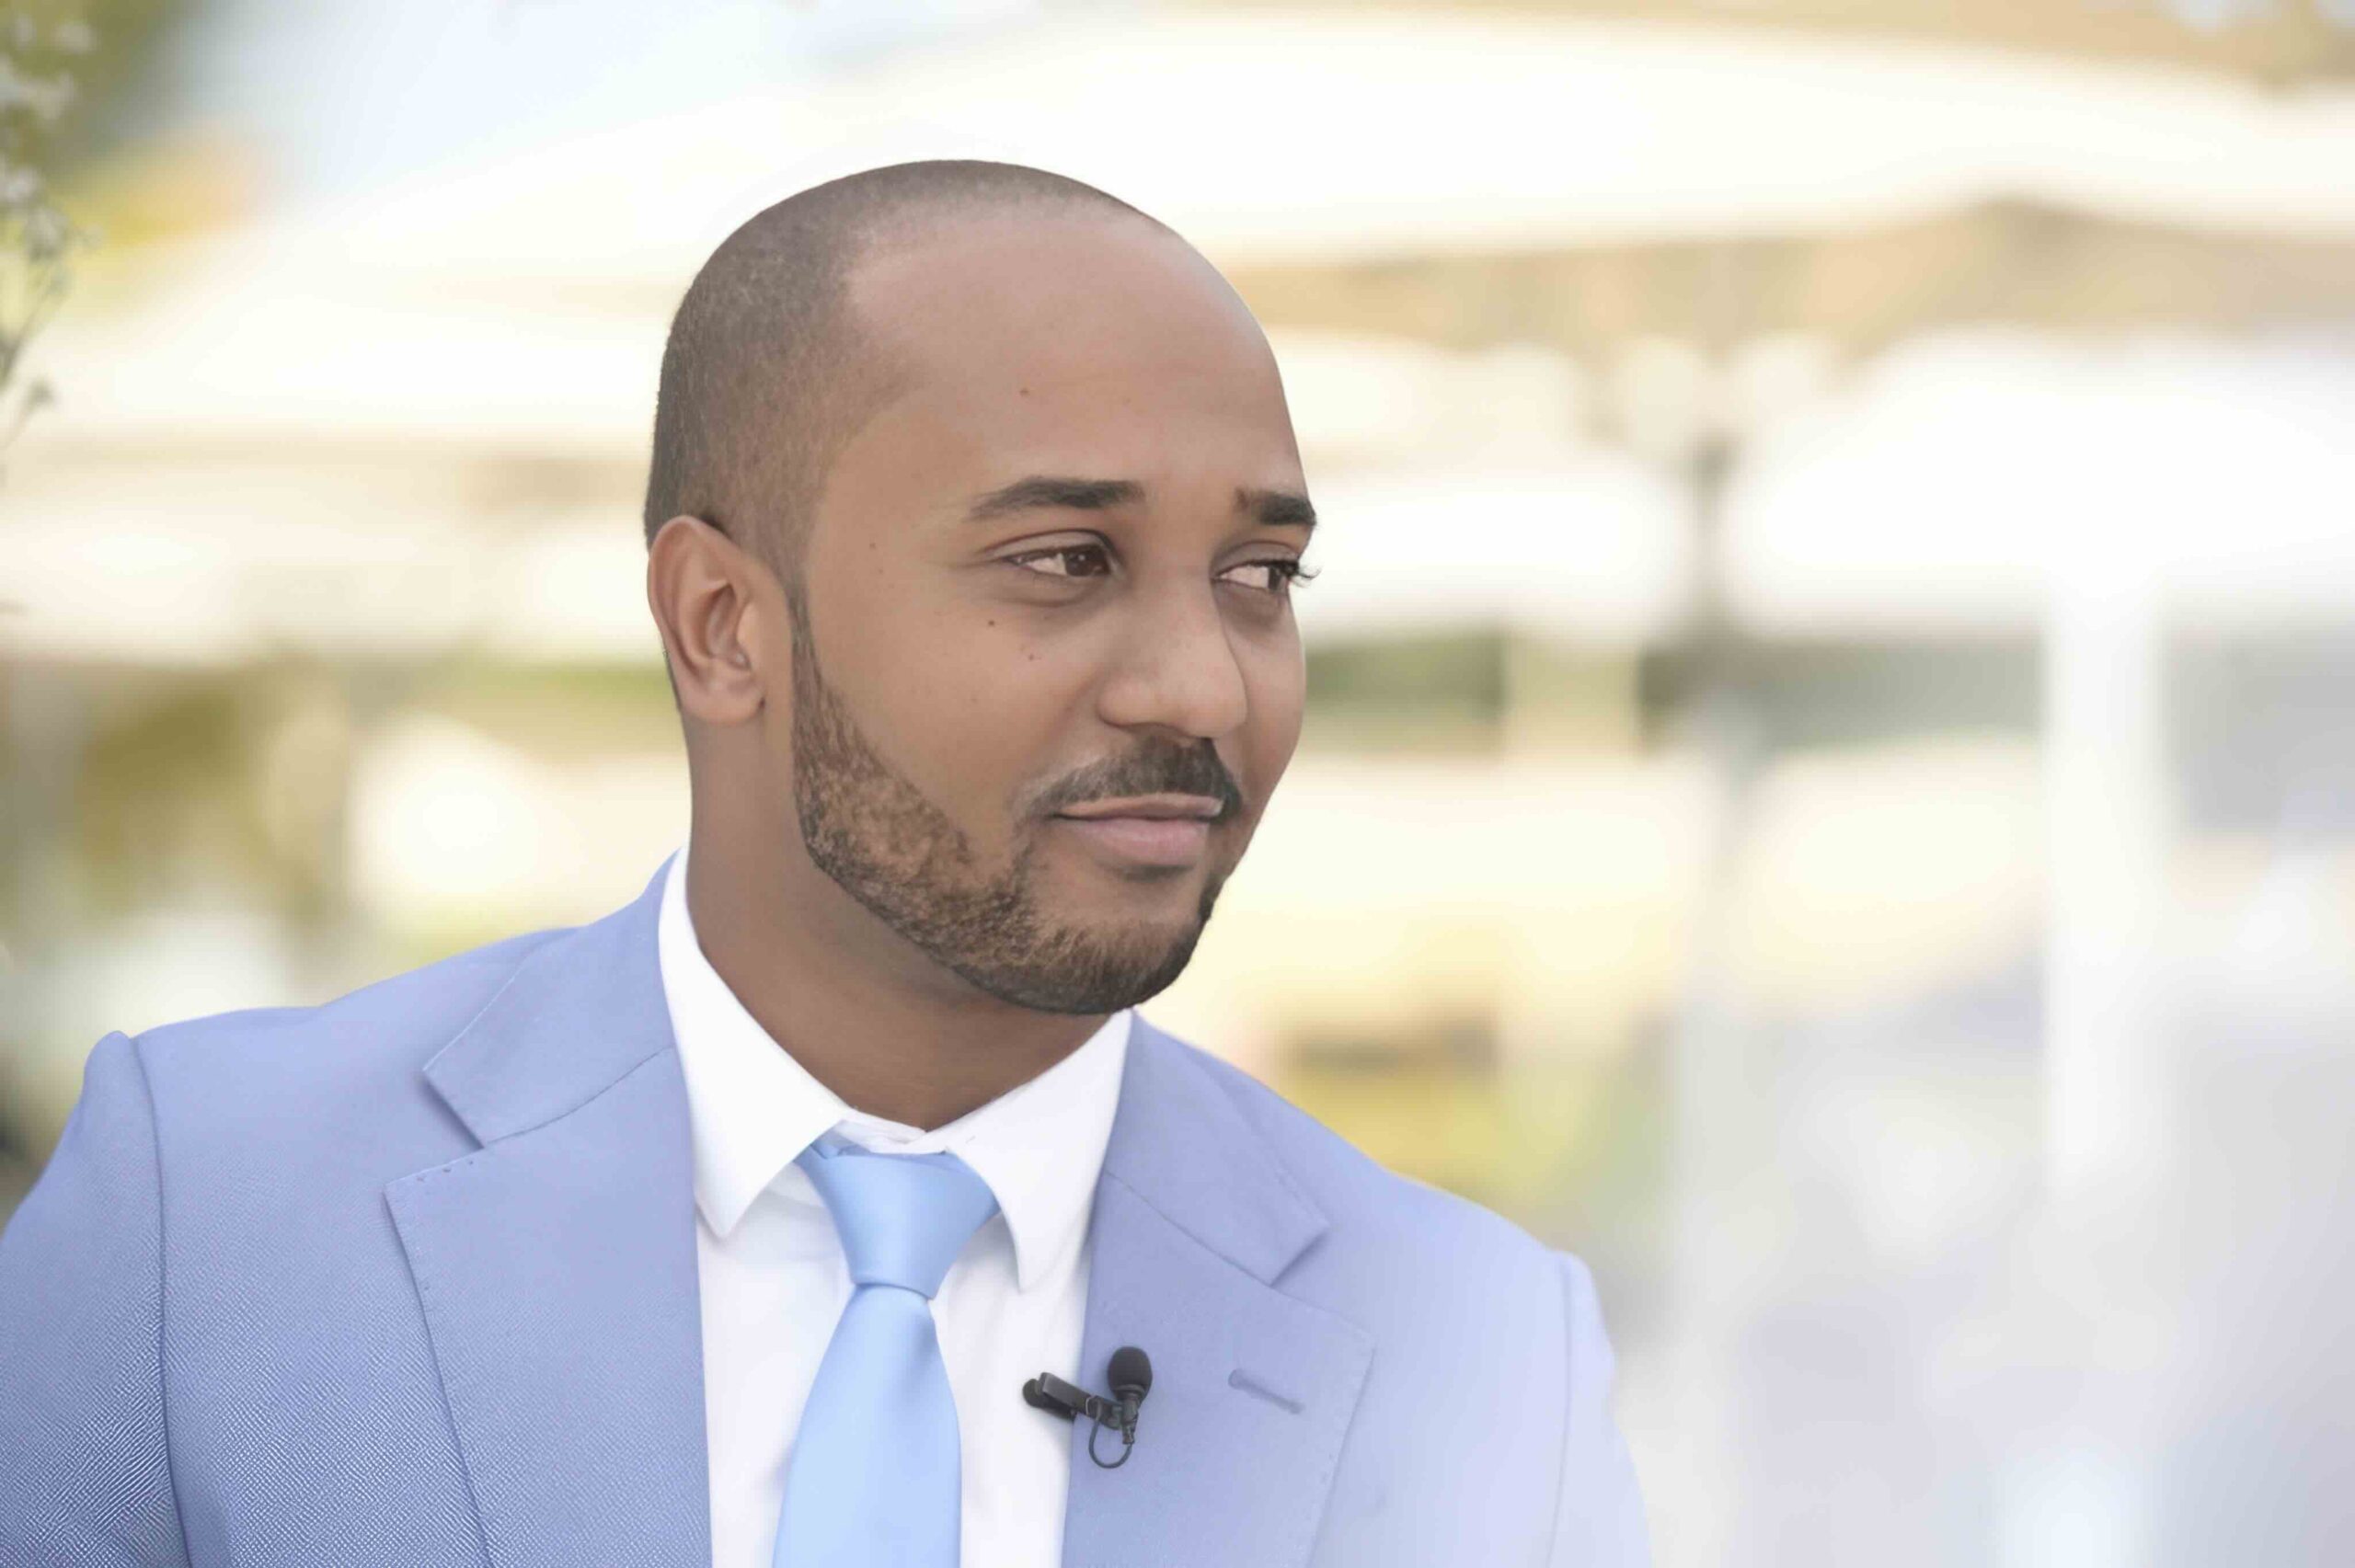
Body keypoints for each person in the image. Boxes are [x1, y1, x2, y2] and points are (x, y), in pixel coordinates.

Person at [0, 160, 1648, 1567]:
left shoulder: (1481, 1349)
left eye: (1261, 575)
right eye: (1065, 560)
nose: (1205, 686)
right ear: (722, 625)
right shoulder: (205, 1210)